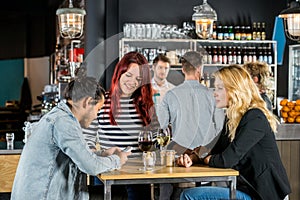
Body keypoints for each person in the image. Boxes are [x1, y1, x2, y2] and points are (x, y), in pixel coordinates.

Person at [178, 65, 291, 200]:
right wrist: (193, 157)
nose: (214, 93)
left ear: (235, 90)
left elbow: (227, 159)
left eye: (220, 88)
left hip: (263, 194)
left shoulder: (255, 117)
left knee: (189, 195)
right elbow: (212, 149)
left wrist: (207, 158)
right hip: (246, 187)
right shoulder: (233, 118)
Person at [11, 76, 131, 200]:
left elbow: (80, 155)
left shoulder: (62, 117)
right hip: (44, 196)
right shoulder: (63, 122)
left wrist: (103, 154)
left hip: (50, 193)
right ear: (87, 102)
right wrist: (117, 159)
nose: (96, 116)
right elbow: (91, 166)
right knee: (118, 195)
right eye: (98, 109)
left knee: (118, 194)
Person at [82, 51, 159, 200]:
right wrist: (95, 156)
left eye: (138, 79)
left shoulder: (146, 105)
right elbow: (88, 137)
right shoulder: (102, 101)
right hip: (108, 174)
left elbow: (156, 139)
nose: (132, 82)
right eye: (128, 75)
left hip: (139, 177)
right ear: (119, 73)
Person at [157, 51, 225, 200]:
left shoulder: (170, 95)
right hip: (205, 159)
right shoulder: (212, 95)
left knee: (168, 189)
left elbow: (162, 126)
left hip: (178, 159)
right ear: (200, 68)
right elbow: (221, 127)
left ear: (182, 69)